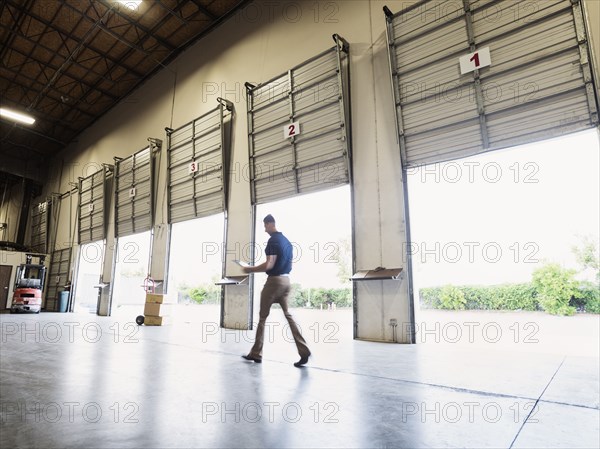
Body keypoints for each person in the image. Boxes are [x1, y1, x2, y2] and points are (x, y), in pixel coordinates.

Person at [242, 214, 311, 367]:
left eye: (265, 226)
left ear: (268, 224)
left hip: (274, 283)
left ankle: (256, 353)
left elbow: (269, 265)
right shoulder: (287, 241)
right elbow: (289, 264)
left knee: (262, 318)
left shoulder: (273, 240)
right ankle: (304, 350)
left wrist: (250, 269)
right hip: (286, 281)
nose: (264, 229)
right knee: (288, 316)